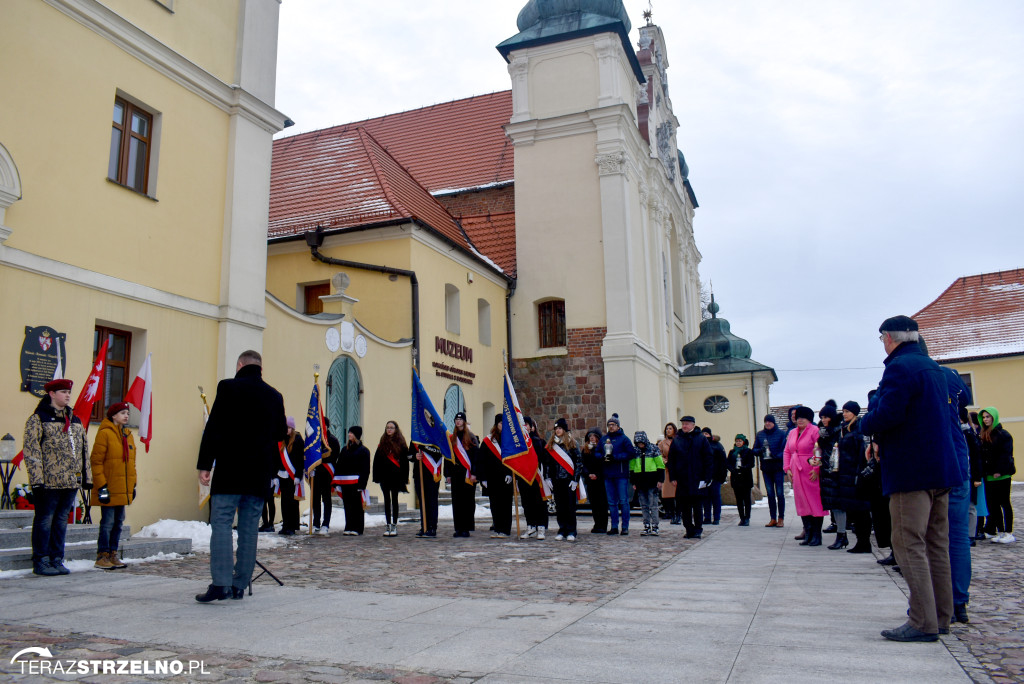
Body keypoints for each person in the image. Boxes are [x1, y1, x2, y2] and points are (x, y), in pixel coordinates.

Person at [860, 315, 962, 642]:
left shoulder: (899, 368)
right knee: (936, 545)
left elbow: (888, 414)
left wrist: (863, 423)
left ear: (889, 338)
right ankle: (941, 616)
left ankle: (922, 621)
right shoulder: (933, 367)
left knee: (908, 545)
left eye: (882, 339)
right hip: (940, 469)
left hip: (911, 472)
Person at [196, 350, 286, 602]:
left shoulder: (228, 387)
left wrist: (205, 464)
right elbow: (280, 432)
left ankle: (220, 583)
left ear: (240, 365)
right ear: (260, 368)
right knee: (249, 528)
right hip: (259, 472)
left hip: (230, 469)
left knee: (222, 523)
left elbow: (213, 427)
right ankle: (240, 584)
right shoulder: (274, 395)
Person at [24, 378, 91, 576]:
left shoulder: (75, 420)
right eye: (63, 392)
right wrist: (37, 481)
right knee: (44, 521)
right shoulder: (38, 418)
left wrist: (86, 477)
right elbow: (32, 451)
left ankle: (56, 558)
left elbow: (83, 450)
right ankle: (41, 560)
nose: (68, 395)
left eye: (69, 392)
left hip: (69, 481)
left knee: (62, 521)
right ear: (52, 394)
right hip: (48, 482)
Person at [90, 402, 136, 570]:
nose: (126, 416)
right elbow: (96, 462)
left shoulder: (128, 435)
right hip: (109, 487)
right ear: (113, 415)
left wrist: (133, 485)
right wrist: (102, 486)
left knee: (118, 522)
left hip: (122, 488)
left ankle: (113, 553)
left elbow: (131, 464)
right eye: (123, 413)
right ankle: (102, 555)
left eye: (127, 413)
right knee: (107, 522)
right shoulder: (105, 434)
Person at [784, 405, 826, 547]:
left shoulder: (815, 431)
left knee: (814, 501)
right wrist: (787, 467)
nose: (800, 420)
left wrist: (816, 468)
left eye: (803, 418)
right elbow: (787, 451)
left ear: (809, 419)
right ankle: (808, 533)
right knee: (801, 502)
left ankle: (817, 535)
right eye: (798, 417)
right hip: (796, 470)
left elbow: (819, 450)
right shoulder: (792, 432)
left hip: (810, 470)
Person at [667, 416, 713, 539]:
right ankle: (688, 528)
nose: (685, 426)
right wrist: (673, 477)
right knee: (684, 506)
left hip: (698, 478)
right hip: (682, 478)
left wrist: (707, 477)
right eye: (683, 424)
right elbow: (671, 460)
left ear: (693, 425)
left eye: (687, 424)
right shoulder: (677, 440)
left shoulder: (701, 439)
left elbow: (708, 458)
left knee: (697, 506)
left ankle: (698, 529)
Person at [980, 407, 1015, 544]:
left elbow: (1006, 455)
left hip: (1002, 475)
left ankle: (1009, 532)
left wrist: (999, 470)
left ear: (994, 417)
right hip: (989, 476)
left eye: (988, 417)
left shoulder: (1003, 435)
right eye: (983, 417)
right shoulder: (984, 434)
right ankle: (1000, 531)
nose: (985, 419)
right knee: (993, 505)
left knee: (1004, 503)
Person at [372, 421, 410, 537]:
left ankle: (394, 524)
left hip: (396, 477)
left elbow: (405, 463)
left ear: (396, 429)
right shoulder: (382, 443)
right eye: (388, 428)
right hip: (384, 476)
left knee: (394, 499)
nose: (389, 430)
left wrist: (404, 477)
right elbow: (376, 461)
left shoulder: (401, 444)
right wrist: (376, 476)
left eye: (391, 428)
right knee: (386, 500)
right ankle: (388, 523)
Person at [598, 413, 634, 535]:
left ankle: (625, 526)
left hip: (621, 473)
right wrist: (602, 457)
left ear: (618, 426)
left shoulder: (624, 439)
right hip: (608, 474)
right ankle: (614, 526)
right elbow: (597, 452)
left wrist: (616, 457)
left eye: (613, 425)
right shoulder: (604, 439)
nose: (611, 427)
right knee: (611, 502)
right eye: (609, 425)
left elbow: (631, 453)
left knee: (623, 501)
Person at [547, 418, 582, 540]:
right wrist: (548, 477)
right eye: (556, 429)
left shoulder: (572, 444)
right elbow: (548, 463)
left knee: (570, 507)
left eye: (560, 428)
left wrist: (575, 479)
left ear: (564, 430)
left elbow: (578, 462)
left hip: (568, 480)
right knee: (560, 506)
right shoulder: (551, 445)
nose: (558, 431)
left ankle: (572, 530)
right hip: (557, 480)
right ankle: (562, 529)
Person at [479, 416, 513, 538]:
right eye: (500, 423)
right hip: (492, 478)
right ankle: (498, 528)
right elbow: (481, 460)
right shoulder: (488, 441)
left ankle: (505, 529)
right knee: (495, 504)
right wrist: (482, 478)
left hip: (505, 478)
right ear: (496, 424)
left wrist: (510, 473)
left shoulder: (510, 439)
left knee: (506, 504)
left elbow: (513, 459)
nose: (502, 425)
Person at [815, 401, 844, 542]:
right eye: (822, 417)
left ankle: (842, 535)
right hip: (826, 470)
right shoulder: (824, 433)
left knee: (839, 505)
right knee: (833, 504)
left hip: (836, 471)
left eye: (826, 417)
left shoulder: (839, 431)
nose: (824, 420)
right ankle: (840, 534)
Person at [447, 412, 478, 538]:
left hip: (467, 473)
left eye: (460, 419)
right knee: (457, 501)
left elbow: (476, 457)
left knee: (467, 501)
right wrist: (447, 474)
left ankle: (466, 527)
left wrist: (475, 473)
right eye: (456, 419)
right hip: (455, 473)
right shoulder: (451, 438)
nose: (458, 421)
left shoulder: (471, 437)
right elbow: (448, 457)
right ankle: (458, 527)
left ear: (464, 422)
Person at [752, 415, 787, 528]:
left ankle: (781, 518)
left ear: (773, 423)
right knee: (770, 494)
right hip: (766, 468)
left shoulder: (781, 434)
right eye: (766, 422)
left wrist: (775, 456)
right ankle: (773, 518)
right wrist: (760, 450)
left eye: (769, 422)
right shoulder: (760, 434)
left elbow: (785, 450)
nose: (767, 424)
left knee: (780, 494)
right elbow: (754, 450)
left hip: (777, 467)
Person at [335, 426, 370, 535]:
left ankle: (357, 528)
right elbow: (339, 465)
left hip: (357, 482)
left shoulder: (364, 451)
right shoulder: (345, 450)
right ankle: (348, 526)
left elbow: (366, 469)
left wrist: (362, 485)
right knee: (347, 505)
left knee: (357, 506)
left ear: (357, 435)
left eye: (352, 433)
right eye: (349, 432)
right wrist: (336, 481)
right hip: (345, 482)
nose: (349, 434)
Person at [519, 417, 550, 539]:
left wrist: (546, 476)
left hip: (536, 476)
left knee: (539, 502)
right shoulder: (518, 442)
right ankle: (530, 526)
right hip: (523, 476)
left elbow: (544, 459)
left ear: (531, 427)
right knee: (527, 503)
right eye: (523, 425)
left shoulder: (538, 441)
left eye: (526, 424)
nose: (525, 427)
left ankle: (541, 527)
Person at [630, 431, 664, 536]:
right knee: (643, 505)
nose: (640, 445)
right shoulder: (635, 451)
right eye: (638, 442)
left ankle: (655, 525)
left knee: (653, 505)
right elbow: (632, 467)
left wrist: (660, 480)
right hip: (640, 481)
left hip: (652, 480)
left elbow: (660, 465)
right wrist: (633, 481)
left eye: (641, 442)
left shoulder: (653, 449)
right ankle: (646, 525)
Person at [311, 418, 340, 535]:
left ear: (327, 426)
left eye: (324, 426)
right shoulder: (315, 439)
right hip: (316, 473)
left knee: (326, 499)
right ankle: (316, 523)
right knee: (315, 499)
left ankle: (325, 524)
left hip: (327, 473)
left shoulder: (332, 440)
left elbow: (334, 456)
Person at [278, 417, 303, 535]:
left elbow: (299, 459)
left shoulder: (298, 440)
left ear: (292, 428)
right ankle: (285, 525)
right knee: (284, 501)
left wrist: (298, 475)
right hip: (282, 474)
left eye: (288, 427)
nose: (286, 430)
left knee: (292, 501)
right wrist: (275, 475)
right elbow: (276, 458)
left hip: (293, 475)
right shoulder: (281, 440)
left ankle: (292, 526)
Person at [581, 428, 608, 533]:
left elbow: (603, 464)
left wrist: (597, 475)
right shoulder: (586, 450)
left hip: (600, 480)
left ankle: (603, 525)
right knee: (594, 503)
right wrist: (588, 474)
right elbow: (583, 464)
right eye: (590, 436)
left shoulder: (602, 449)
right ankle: (597, 523)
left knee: (602, 503)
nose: (592, 438)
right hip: (590, 479)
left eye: (594, 436)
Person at [412, 438, 440, 538]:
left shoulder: (436, 436)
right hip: (419, 474)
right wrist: (415, 456)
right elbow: (409, 455)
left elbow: (440, 453)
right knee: (422, 501)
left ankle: (432, 527)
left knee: (432, 501)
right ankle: (424, 526)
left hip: (432, 474)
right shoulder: (416, 438)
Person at [727, 434, 755, 526]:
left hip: (745, 477)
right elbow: (728, 463)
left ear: (743, 442)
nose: (738, 443)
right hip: (736, 478)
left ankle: (747, 517)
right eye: (737, 441)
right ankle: (742, 517)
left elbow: (751, 463)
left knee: (747, 499)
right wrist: (732, 469)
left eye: (740, 441)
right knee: (739, 500)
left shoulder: (748, 451)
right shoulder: (732, 452)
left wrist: (744, 467)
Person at [701, 427, 727, 525]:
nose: (705, 436)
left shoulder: (717, 446)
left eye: (706, 434)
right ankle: (707, 517)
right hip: (704, 476)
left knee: (715, 497)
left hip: (716, 476)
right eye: (703, 434)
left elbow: (723, 462)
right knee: (705, 498)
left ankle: (716, 517)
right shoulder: (700, 445)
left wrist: (722, 475)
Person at [658, 423, 678, 524]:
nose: (668, 430)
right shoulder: (662, 443)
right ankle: (671, 513)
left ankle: (679, 513)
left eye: (670, 429)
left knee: (678, 493)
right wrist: (666, 462)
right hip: (667, 469)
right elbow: (659, 455)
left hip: (678, 469)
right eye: (667, 429)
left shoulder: (678, 441)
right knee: (668, 494)